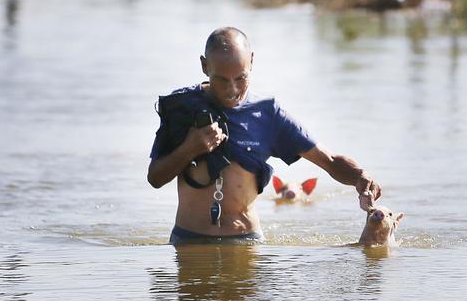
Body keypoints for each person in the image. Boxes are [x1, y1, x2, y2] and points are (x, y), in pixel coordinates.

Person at [147, 27, 382, 244]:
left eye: (241, 78)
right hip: (188, 241)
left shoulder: (268, 114)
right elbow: (155, 178)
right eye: (221, 80)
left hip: (245, 242)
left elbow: (328, 161)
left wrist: (360, 179)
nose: (232, 90)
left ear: (251, 62)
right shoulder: (181, 109)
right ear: (204, 66)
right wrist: (190, 148)